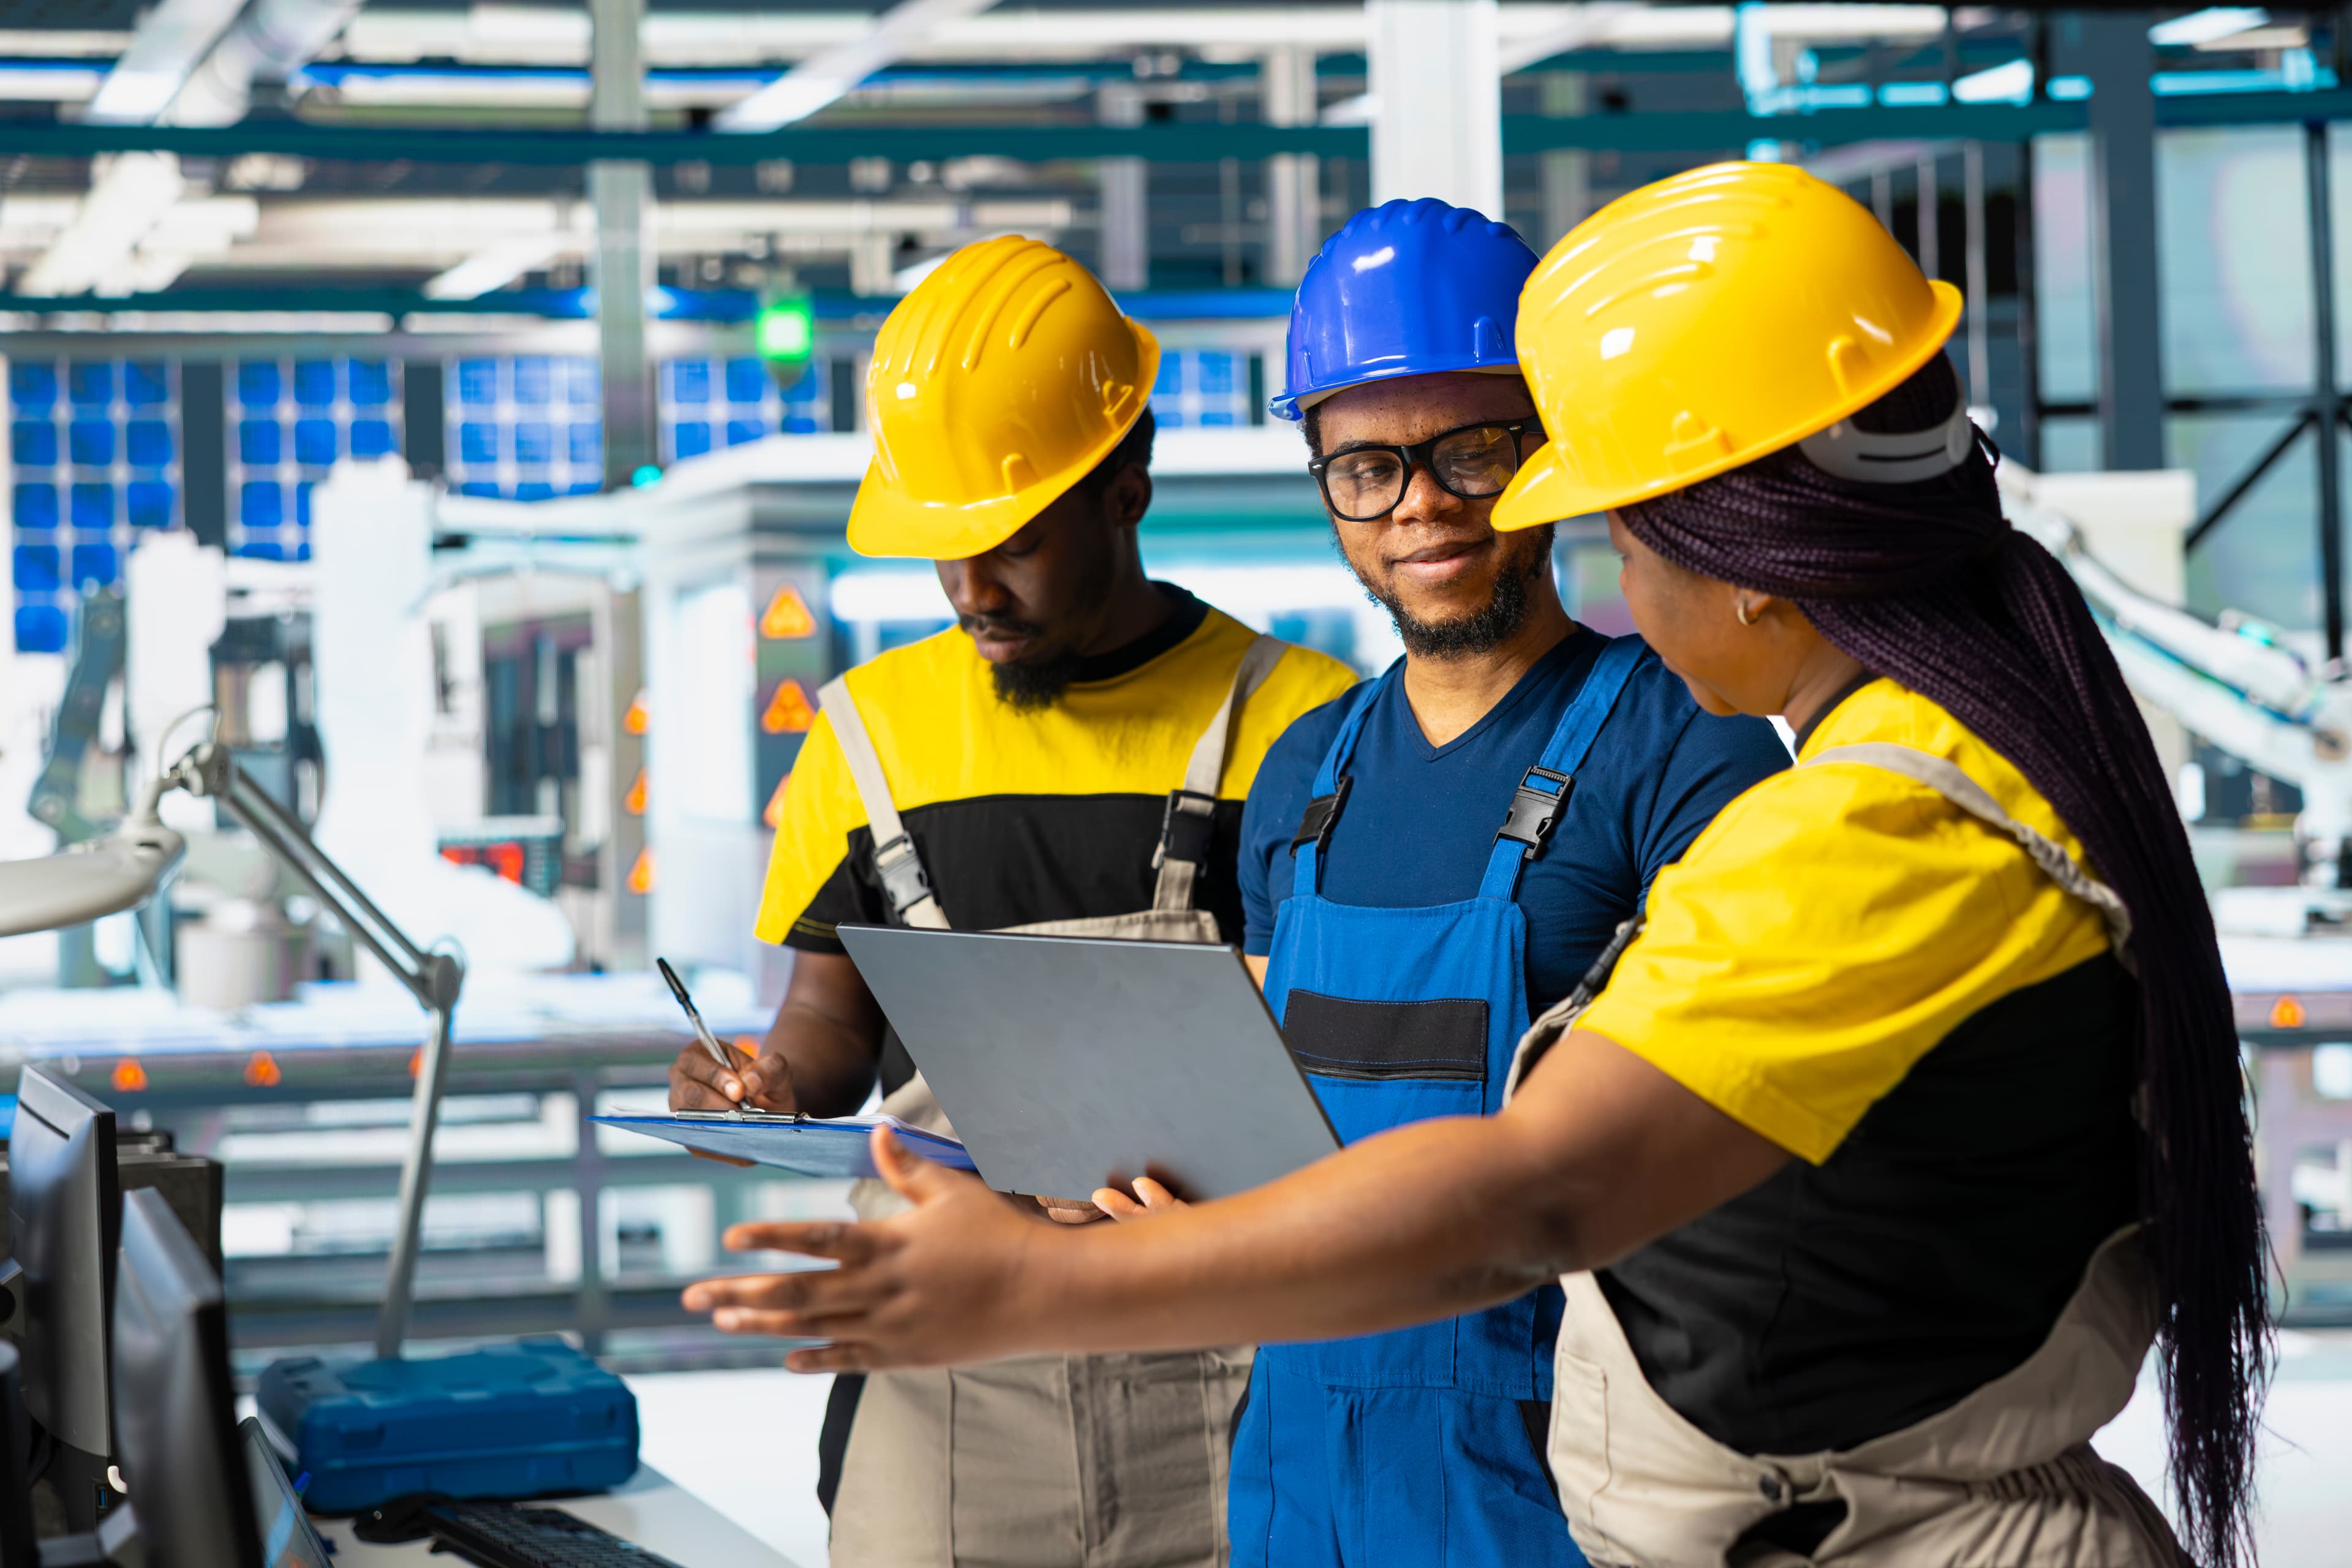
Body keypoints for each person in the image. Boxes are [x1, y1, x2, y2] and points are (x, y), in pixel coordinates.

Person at [683, 165, 2275, 1568]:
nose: (1607, 566)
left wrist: (1029, 1291)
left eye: (1602, 518)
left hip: (1777, 1508)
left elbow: (1544, 1189)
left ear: (1743, 541)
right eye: (1365, 467)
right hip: (1391, 1450)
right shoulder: (1949, 764)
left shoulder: (1864, 822)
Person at [664, 234, 1358, 1568]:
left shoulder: (1302, 721)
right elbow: (828, 1026)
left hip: (1222, 1359)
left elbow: (1340, 1064)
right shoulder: (870, 731)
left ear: (1126, 486)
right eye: (945, 551)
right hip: (947, 1377)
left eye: (1013, 544)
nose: (973, 590)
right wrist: (754, 1082)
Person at [1133, 198, 1783, 1567]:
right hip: (1298, 1466)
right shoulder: (1306, 771)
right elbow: (1271, 1125)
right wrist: (1175, 1190)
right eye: (1365, 465)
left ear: (1553, 451)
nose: (1420, 501)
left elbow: (1743, 1159)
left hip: (1569, 1472)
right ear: (1322, 480)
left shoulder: (1684, 750)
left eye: (1474, 449)